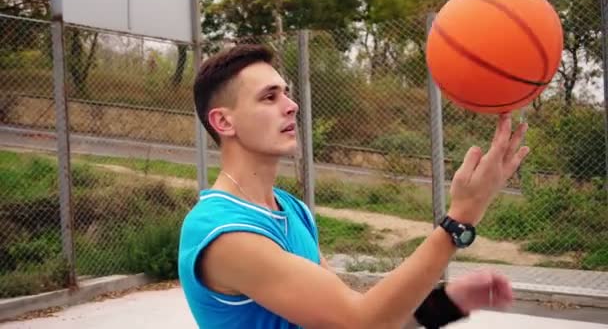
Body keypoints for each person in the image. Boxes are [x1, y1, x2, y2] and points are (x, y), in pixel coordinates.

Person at [178, 44, 529, 329]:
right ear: (223, 121)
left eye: (287, 93)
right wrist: (460, 218)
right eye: (269, 97)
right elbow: (361, 323)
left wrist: (449, 304)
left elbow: (363, 315)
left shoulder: (290, 209)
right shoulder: (221, 233)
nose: (292, 105)